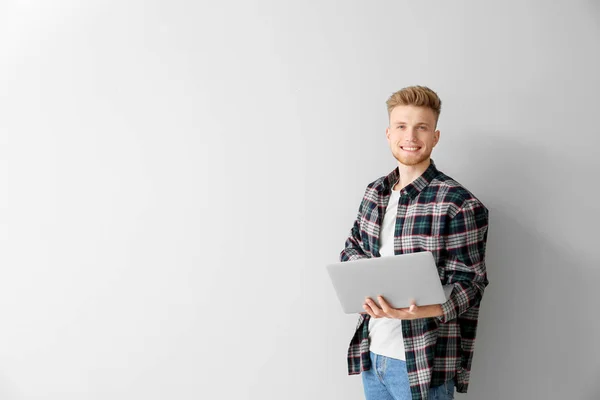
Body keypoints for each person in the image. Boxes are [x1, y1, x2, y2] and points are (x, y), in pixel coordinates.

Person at [339, 86, 490, 400]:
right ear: (388, 133)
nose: (411, 136)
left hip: (421, 363)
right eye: (402, 126)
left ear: (435, 136)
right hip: (372, 354)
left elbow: (472, 283)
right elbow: (351, 248)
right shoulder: (375, 192)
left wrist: (424, 310)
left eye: (421, 127)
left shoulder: (459, 203)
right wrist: (362, 284)